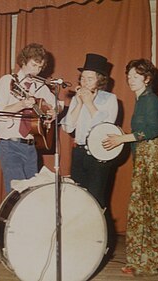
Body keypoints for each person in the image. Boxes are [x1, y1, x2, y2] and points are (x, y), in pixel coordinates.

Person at [103, 59, 158, 276]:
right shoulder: (142, 100)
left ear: (147, 79)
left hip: (150, 158)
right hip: (145, 156)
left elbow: (151, 131)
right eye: (129, 76)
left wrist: (122, 139)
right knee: (145, 208)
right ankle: (147, 260)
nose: (130, 79)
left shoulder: (150, 100)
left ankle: (145, 263)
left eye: (135, 76)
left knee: (146, 208)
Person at [0, 43, 59, 193]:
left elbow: (57, 105)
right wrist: (21, 104)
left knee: (31, 194)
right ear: (23, 62)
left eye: (40, 68)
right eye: (33, 65)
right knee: (17, 192)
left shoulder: (40, 86)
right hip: (10, 145)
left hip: (31, 146)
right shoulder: (8, 81)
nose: (36, 71)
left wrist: (53, 112)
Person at [60, 53, 118, 208]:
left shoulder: (110, 99)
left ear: (99, 80)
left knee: (95, 201)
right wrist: (79, 104)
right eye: (82, 78)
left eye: (90, 79)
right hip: (79, 153)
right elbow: (67, 127)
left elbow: (106, 127)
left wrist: (89, 103)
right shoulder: (76, 98)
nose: (84, 82)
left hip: (98, 155)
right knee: (78, 197)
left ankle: (101, 233)